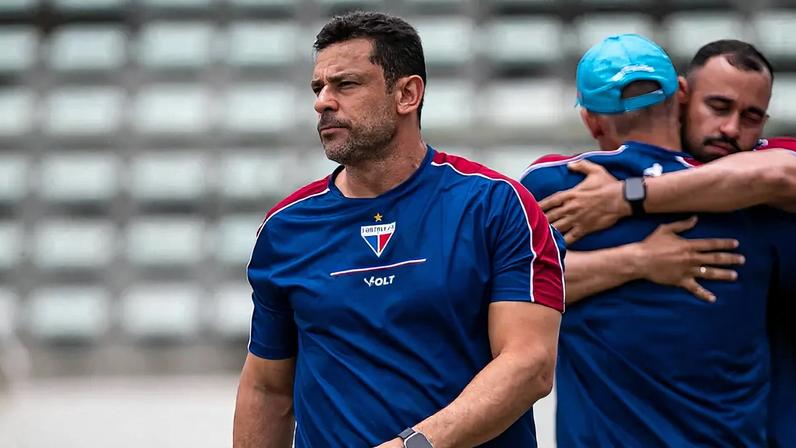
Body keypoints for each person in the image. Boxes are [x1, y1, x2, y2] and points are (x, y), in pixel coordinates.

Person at [232, 11, 565, 448]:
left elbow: (529, 364)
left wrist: (412, 445)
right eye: (318, 88)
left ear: (407, 94)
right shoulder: (285, 228)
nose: (323, 102)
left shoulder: (497, 207)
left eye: (345, 85)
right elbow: (268, 389)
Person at [520, 34, 790, 446]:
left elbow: (503, 289)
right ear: (681, 95)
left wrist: (625, 198)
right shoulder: (752, 197)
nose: (731, 128)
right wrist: (640, 259)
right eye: (719, 107)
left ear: (591, 121)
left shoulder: (561, 183)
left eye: (751, 116)